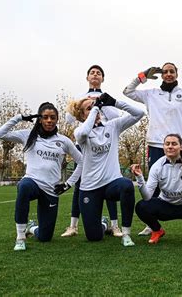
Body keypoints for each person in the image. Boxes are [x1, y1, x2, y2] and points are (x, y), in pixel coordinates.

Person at [123, 63, 182, 236]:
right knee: (155, 185)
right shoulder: (150, 94)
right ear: (161, 75)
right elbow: (127, 91)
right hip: (155, 143)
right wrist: (142, 76)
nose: (168, 74)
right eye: (165, 72)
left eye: (172, 71)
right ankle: (152, 225)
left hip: (180, 145)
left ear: (177, 74)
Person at [0, 102, 83, 251]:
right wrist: (19, 117)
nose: (49, 120)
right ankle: (20, 237)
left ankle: (32, 228)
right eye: (45, 117)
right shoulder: (28, 135)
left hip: (51, 190)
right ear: (40, 119)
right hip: (33, 182)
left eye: (53, 117)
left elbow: (82, 161)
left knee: (45, 237)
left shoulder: (64, 141)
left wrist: (68, 184)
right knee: (24, 187)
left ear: (57, 120)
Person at [67, 92, 144, 246]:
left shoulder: (112, 125)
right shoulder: (80, 131)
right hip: (90, 187)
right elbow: (83, 133)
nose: (95, 109)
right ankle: (103, 224)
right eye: (89, 108)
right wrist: (96, 108)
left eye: (95, 107)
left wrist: (115, 102)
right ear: (82, 116)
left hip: (111, 184)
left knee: (126, 185)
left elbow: (139, 114)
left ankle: (126, 234)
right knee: (94, 237)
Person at [61, 64, 122, 238]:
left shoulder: (106, 97)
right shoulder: (81, 97)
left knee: (111, 181)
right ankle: (73, 225)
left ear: (102, 78)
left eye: (99, 73)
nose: (95, 75)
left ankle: (114, 225)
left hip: (104, 141)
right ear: (87, 77)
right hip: (85, 143)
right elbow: (69, 119)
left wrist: (101, 104)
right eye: (92, 73)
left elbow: (116, 117)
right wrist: (84, 104)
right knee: (81, 183)